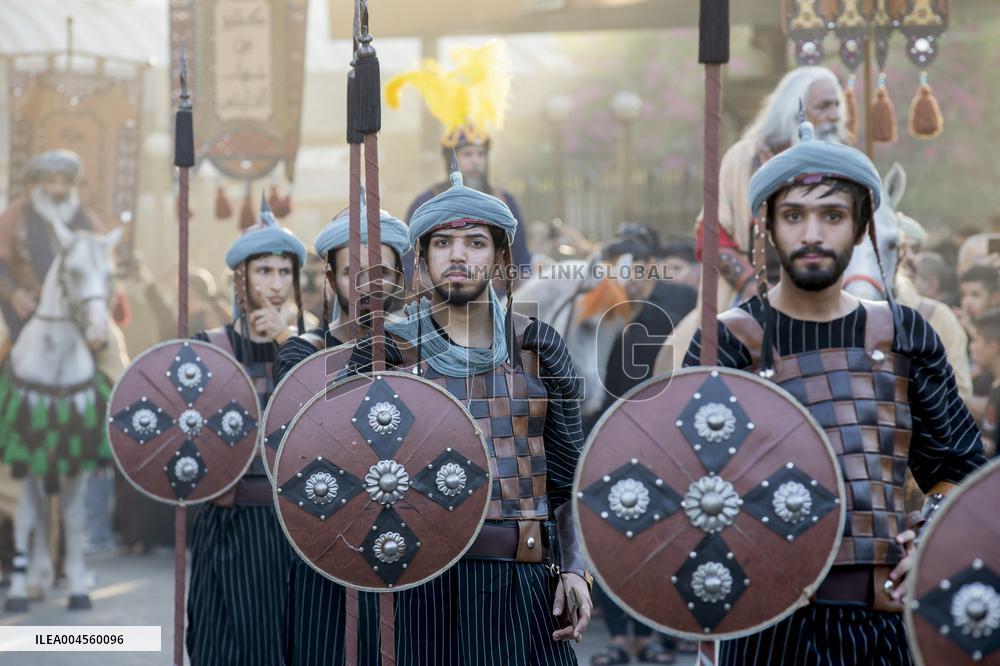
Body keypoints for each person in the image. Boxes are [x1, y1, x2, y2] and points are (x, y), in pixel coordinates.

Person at [684, 118, 986, 665]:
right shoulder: (725, 342)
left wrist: (931, 532)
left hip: (882, 625)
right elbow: (687, 483)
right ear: (768, 227)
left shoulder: (905, 334)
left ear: (862, 225)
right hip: (763, 627)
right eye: (794, 215)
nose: (813, 234)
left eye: (833, 215)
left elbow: (959, 466)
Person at [288, 168, 593, 665]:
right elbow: (340, 471)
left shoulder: (537, 346)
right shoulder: (387, 352)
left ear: (498, 257)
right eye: (443, 243)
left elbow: (569, 477)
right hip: (414, 588)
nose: (458, 255)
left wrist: (577, 570)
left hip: (521, 585)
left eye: (475, 242)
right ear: (423, 260)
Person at [274, 201, 411, 666]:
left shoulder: (423, 351)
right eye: (354, 272)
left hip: (409, 545)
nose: (370, 285)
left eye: (382, 271)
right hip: (325, 547)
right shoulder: (301, 354)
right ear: (330, 279)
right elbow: (303, 444)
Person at [656, 66, 847, 376]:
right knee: (685, 352)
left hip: (829, 291)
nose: (835, 115)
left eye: (837, 104)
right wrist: (754, 290)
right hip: (749, 290)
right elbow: (713, 235)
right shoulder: (744, 159)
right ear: (794, 110)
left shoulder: (842, 163)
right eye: (824, 106)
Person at [184, 199, 307, 666]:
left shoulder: (311, 348)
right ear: (242, 279)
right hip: (232, 524)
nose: (275, 285)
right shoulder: (211, 348)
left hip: (295, 527)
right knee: (225, 647)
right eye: (263, 272)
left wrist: (285, 341)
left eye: (284, 273)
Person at [587, 224, 697, 665]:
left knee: (657, 536)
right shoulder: (603, 310)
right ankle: (620, 636)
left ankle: (652, 630)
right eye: (614, 272)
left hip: (660, 438)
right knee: (612, 537)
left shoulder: (675, 304)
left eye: (630, 270)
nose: (624, 279)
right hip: (607, 434)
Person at [0, 150, 102, 338]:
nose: (58, 190)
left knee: (111, 356)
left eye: (64, 183)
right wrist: (13, 294)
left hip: (77, 312)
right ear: (37, 185)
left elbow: (101, 267)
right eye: (51, 182)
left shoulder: (87, 220)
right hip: (25, 308)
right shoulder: (15, 215)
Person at [968, 308, 1000, 458]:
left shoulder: (997, 389)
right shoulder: (995, 386)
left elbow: (988, 444)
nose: (972, 347)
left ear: (993, 347)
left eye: (976, 340)